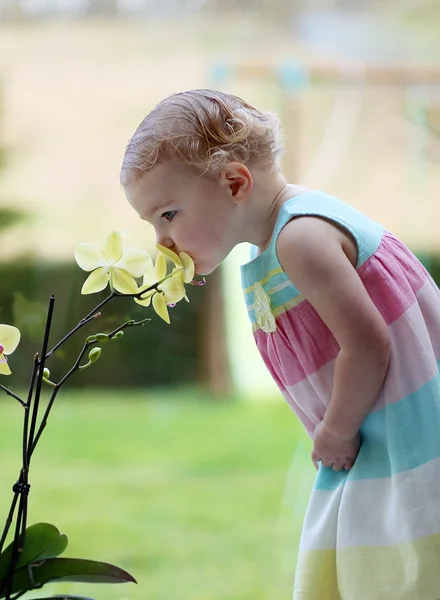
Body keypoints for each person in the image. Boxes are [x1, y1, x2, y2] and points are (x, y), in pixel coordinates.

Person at [120, 88, 440, 599]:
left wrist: (335, 431)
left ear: (234, 182)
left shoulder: (301, 239)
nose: (162, 241)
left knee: (408, 570)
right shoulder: (286, 236)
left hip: (408, 439)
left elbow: (368, 344)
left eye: (168, 215)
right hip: (383, 435)